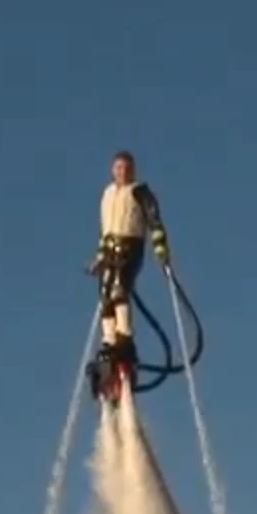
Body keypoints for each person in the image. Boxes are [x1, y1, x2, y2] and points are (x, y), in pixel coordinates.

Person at [88, 150, 172, 368]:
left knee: (119, 287)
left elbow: (154, 221)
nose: (122, 172)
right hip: (109, 248)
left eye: (126, 168)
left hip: (130, 246)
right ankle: (109, 338)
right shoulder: (107, 195)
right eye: (118, 168)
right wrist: (98, 257)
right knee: (105, 293)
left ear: (132, 170)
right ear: (112, 170)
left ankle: (124, 332)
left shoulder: (140, 192)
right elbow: (104, 229)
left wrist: (160, 249)